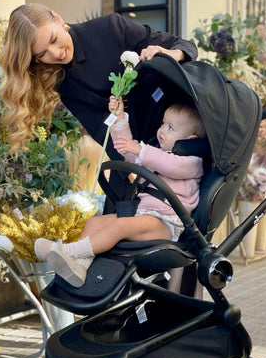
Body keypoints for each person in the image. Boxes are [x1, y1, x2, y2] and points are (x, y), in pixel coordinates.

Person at [34, 97, 206, 287]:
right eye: (163, 123)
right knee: (94, 222)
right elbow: (129, 152)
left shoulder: (192, 163)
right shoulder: (158, 153)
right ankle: (79, 266)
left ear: (191, 140)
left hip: (166, 223)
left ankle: (69, 252)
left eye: (171, 128)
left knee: (120, 226)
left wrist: (141, 150)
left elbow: (168, 165)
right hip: (144, 215)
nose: (162, 130)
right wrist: (119, 121)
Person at [0, 3, 198, 159]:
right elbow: (102, 131)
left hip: (182, 133)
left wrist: (170, 54)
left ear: (57, 19)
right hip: (134, 151)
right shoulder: (60, 79)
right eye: (42, 53)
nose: (56, 53)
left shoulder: (110, 28)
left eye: (53, 39)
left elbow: (185, 46)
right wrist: (132, 164)